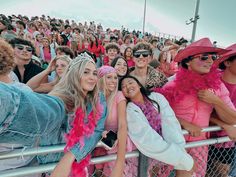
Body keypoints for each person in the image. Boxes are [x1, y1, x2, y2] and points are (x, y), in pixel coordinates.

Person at [0, 52, 108, 177]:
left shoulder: (97, 99)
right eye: (86, 72)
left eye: (95, 73)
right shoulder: (60, 99)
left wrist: (70, 156)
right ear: (74, 74)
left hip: (77, 165)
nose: (92, 77)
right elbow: (36, 109)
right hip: (49, 165)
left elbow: (96, 129)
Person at [159, 38, 236, 177]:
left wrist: (216, 101)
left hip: (199, 147)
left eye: (213, 57)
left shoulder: (217, 86)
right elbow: (156, 113)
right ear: (188, 61)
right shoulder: (172, 84)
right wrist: (183, 123)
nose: (210, 61)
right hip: (172, 144)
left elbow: (233, 119)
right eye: (204, 57)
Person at [119, 75, 195, 177]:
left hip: (170, 152)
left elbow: (171, 124)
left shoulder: (157, 97)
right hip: (146, 157)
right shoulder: (130, 110)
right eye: (123, 86)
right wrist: (182, 158)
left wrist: (180, 151)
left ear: (139, 85)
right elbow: (147, 138)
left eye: (130, 82)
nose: (128, 86)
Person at [206, 44, 236, 177]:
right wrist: (224, 124)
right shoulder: (209, 78)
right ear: (227, 62)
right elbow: (202, 111)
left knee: (220, 174)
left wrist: (217, 101)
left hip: (226, 141)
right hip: (200, 135)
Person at [93, 66, 127, 177]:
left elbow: (122, 125)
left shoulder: (119, 96)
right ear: (101, 79)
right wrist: (100, 132)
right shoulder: (93, 98)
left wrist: (120, 159)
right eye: (109, 77)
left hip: (115, 145)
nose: (113, 81)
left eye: (115, 77)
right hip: (97, 144)